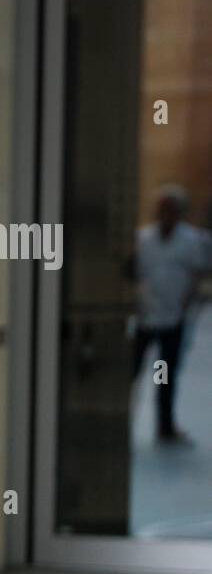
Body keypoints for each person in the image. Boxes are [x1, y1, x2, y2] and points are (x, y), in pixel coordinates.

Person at [129, 183, 212, 445]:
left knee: (164, 374)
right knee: (133, 372)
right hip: (145, 319)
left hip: (173, 320)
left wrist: (188, 305)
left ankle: (164, 425)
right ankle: (122, 420)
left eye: (171, 210)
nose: (166, 214)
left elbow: (199, 275)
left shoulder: (193, 241)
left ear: (180, 213)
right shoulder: (143, 239)